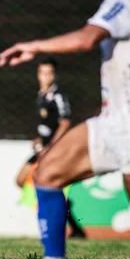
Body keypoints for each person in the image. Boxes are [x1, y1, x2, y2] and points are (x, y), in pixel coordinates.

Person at [0, 0, 130, 259]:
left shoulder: (123, 1)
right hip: (115, 123)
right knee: (46, 173)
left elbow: (87, 38)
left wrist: (35, 46)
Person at [15, 58, 86, 239]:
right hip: (42, 147)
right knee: (21, 180)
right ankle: (62, 209)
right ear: (38, 75)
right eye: (42, 73)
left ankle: (61, 224)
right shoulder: (41, 95)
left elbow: (65, 122)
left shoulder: (58, 95)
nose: (46, 77)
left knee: (46, 184)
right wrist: (39, 139)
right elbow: (48, 124)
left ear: (55, 75)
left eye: (49, 73)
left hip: (52, 149)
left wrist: (51, 146)